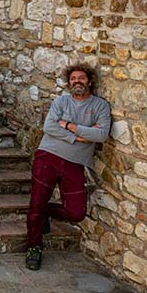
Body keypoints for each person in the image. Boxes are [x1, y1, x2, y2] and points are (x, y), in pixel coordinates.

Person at [25, 64, 110, 271]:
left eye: (81, 78)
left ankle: (45, 212)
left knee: (76, 213)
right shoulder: (61, 101)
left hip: (75, 163)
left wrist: (69, 125)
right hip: (48, 156)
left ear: (89, 81)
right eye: (73, 79)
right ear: (69, 82)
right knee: (36, 204)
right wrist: (80, 136)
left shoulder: (100, 106)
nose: (77, 81)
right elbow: (49, 127)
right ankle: (34, 247)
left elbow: (101, 135)